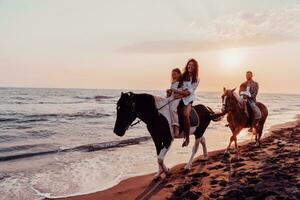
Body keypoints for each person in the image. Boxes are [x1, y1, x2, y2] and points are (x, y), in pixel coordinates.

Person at [172, 59, 199, 147]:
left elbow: (188, 93)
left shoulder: (196, 79)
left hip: (188, 99)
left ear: (195, 68)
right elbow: (178, 86)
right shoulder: (183, 76)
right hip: (179, 97)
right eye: (189, 65)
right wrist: (171, 91)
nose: (190, 66)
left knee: (185, 114)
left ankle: (187, 138)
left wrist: (178, 94)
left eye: (192, 65)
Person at [166, 68, 182, 137]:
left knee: (172, 109)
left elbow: (181, 92)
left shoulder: (181, 83)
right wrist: (169, 92)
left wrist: (175, 92)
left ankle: (176, 127)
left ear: (179, 74)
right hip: (172, 97)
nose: (173, 76)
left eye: (175, 74)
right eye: (172, 75)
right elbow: (170, 94)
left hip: (178, 98)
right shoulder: (173, 83)